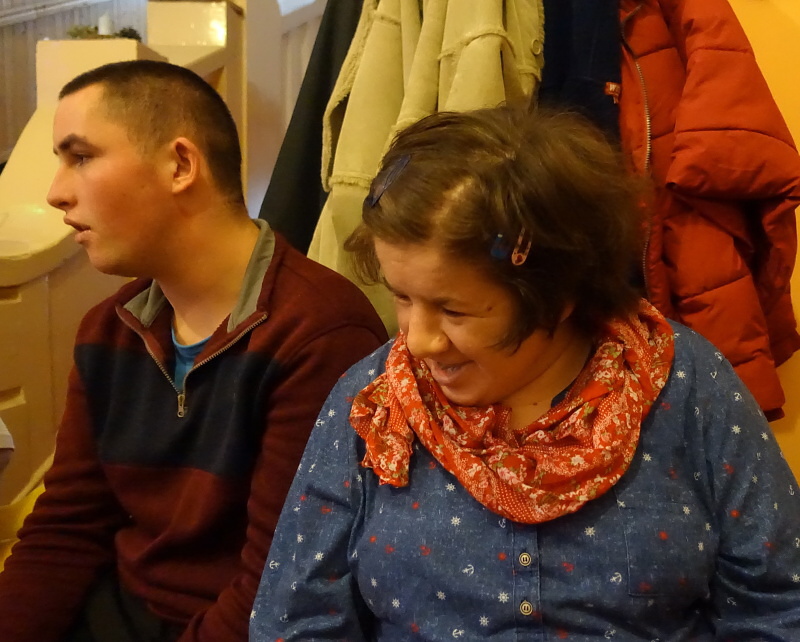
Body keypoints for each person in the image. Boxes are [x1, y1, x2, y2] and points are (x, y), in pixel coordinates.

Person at [250, 106, 800, 640]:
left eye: (454, 310)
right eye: (403, 298)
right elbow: (296, 619)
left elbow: (780, 605)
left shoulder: (687, 385)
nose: (417, 341)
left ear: (556, 297)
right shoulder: (372, 403)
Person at [0, 60, 387, 642]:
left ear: (180, 165)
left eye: (80, 157)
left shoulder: (320, 336)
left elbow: (277, 586)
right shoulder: (109, 329)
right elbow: (66, 532)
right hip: (120, 612)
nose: (56, 193)